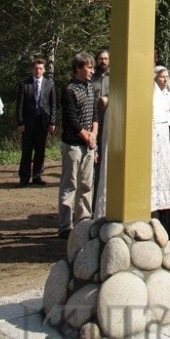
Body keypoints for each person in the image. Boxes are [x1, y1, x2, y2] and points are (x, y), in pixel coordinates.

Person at [58, 52, 98, 239]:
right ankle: (65, 226)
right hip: (73, 145)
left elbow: (95, 114)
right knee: (70, 185)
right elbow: (71, 119)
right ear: (78, 68)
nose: (92, 71)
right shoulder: (69, 90)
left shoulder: (91, 87)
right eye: (89, 67)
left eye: (92, 67)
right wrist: (86, 136)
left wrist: (93, 135)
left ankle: (84, 223)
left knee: (87, 185)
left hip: (89, 145)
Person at [16, 57, 56, 187]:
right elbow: (19, 106)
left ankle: (37, 177)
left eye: (40, 68)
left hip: (42, 122)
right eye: (35, 68)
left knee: (40, 150)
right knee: (26, 151)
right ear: (32, 69)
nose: (38, 71)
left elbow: (53, 105)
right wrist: (20, 123)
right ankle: (24, 178)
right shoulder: (24, 85)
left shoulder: (50, 84)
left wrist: (52, 122)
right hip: (28, 123)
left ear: (44, 70)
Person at [152, 65, 170, 239]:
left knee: (165, 184)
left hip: (165, 143)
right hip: (153, 145)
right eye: (162, 77)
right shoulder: (150, 96)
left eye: (167, 77)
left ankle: (166, 229)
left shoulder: (167, 96)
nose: (166, 80)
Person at [91, 47, 109, 212]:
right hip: (93, 123)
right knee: (95, 164)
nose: (103, 61)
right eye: (100, 58)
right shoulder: (92, 78)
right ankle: (94, 205)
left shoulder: (115, 78)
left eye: (105, 58)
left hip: (110, 123)